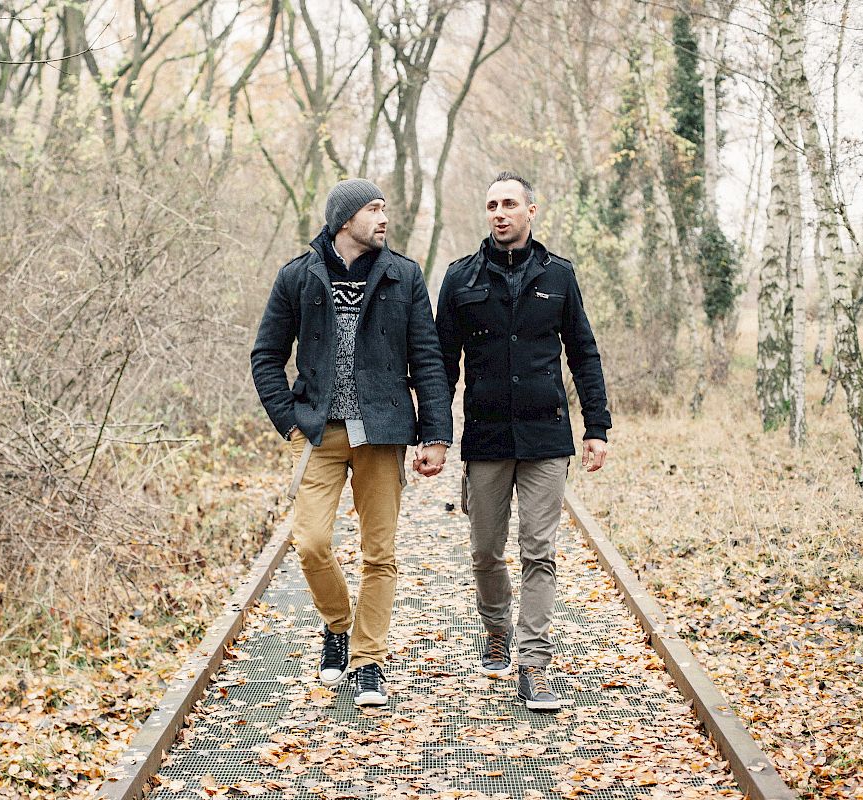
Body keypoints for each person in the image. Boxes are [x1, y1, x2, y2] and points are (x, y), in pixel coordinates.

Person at [251, 179, 452, 708]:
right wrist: (289, 421)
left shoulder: (403, 275)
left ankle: (368, 661)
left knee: (379, 553)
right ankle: (338, 625)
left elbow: (427, 359)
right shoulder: (298, 275)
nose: (385, 218)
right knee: (311, 542)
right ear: (345, 220)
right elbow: (266, 356)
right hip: (317, 431)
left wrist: (435, 433)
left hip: (382, 431)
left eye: (385, 208)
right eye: (374, 209)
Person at [436, 171, 611, 711]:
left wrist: (597, 427)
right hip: (485, 438)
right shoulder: (460, 279)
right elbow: (441, 363)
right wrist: (435, 433)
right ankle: (496, 629)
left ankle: (534, 664)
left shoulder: (559, 276)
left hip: (545, 437)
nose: (499, 213)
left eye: (509, 203)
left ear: (532, 211)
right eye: (491, 204)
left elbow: (583, 352)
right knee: (486, 551)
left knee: (540, 551)